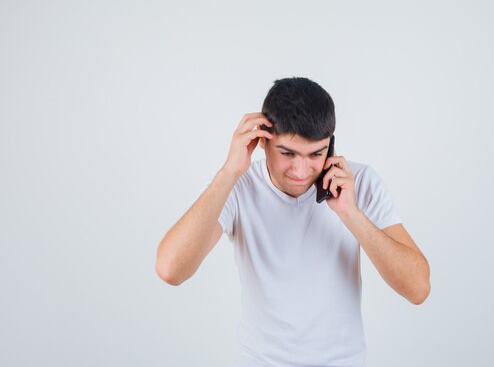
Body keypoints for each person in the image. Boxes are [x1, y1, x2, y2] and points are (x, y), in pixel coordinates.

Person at [156, 77, 430, 367]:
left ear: (331, 145)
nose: (301, 170)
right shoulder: (236, 186)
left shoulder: (358, 182)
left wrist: (351, 214)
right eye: (287, 153)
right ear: (261, 141)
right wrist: (229, 171)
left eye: (316, 154)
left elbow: (418, 289)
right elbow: (170, 269)